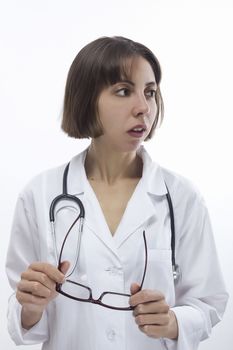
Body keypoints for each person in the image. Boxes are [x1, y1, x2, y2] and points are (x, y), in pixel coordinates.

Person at [6, 36, 228, 350]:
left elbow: (209, 303)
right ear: (86, 99)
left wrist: (173, 322)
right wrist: (30, 306)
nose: (143, 108)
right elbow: (24, 325)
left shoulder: (181, 197)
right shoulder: (40, 195)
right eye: (124, 91)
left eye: (150, 92)